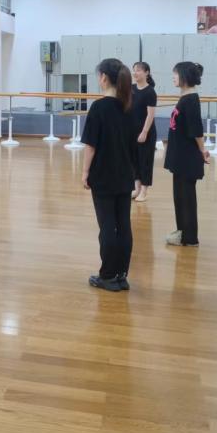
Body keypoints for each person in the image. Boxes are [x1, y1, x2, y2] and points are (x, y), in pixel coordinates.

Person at [81, 59, 135, 292]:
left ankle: (107, 275)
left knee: (107, 226)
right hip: (125, 174)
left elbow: (90, 146)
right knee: (123, 225)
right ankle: (121, 275)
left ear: (103, 77)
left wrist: (85, 172)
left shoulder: (99, 107)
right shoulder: (128, 106)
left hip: (103, 175)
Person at [164, 61, 210, 247]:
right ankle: (182, 231)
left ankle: (190, 238)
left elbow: (196, 130)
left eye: (176, 74)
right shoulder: (185, 97)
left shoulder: (191, 100)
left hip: (187, 157)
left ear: (184, 76)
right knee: (180, 197)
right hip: (180, 155)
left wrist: (202, 150)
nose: (173, 77)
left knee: (186, 198)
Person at [131, 61, 158, 203]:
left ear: (146, 72)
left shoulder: (150, 92)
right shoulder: (131, 88)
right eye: (134, 70)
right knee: (134, 160)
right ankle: (136, 188)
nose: (135, 73)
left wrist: (144, 132)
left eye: (138, 70)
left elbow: (150, 115)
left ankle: (144, 191)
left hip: (146, 132)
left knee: (145, 161)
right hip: (132, 131)